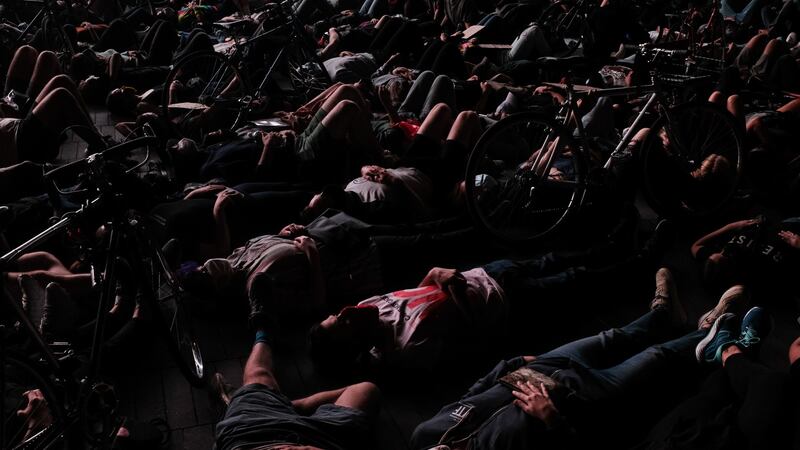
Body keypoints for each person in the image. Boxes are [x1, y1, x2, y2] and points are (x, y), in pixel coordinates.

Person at [409, 268, 733, 450]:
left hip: (539, 370)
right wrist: (550, 419)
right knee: (656, 356)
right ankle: (714, 328)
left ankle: (664, 314)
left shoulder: (425, 434)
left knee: (614, 337)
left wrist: (511, 365)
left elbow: (469, 396)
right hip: (579, 399)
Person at [214, 329, 381, 450]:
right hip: (320, 439)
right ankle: (288, 407)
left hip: (255, 436)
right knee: (367, 390)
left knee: (258, 375)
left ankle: (264, 330)